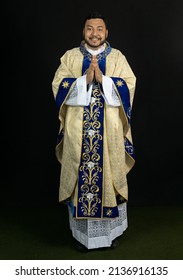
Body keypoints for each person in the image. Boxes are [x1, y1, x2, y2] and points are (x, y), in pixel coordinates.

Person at [52, 11, 136, 251]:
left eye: (99, 29)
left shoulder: (118, 58)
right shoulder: (70, 57)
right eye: (90, 28)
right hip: (78, 132)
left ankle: (110, 234)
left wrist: (105, 79)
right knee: (80, 181)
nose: (95, 33)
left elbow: (129, 86)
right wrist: (83, 81)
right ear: (83, 31)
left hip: (108, 132)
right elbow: (58, 85)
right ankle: (82, 238)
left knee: (109, 177)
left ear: (106, 32)